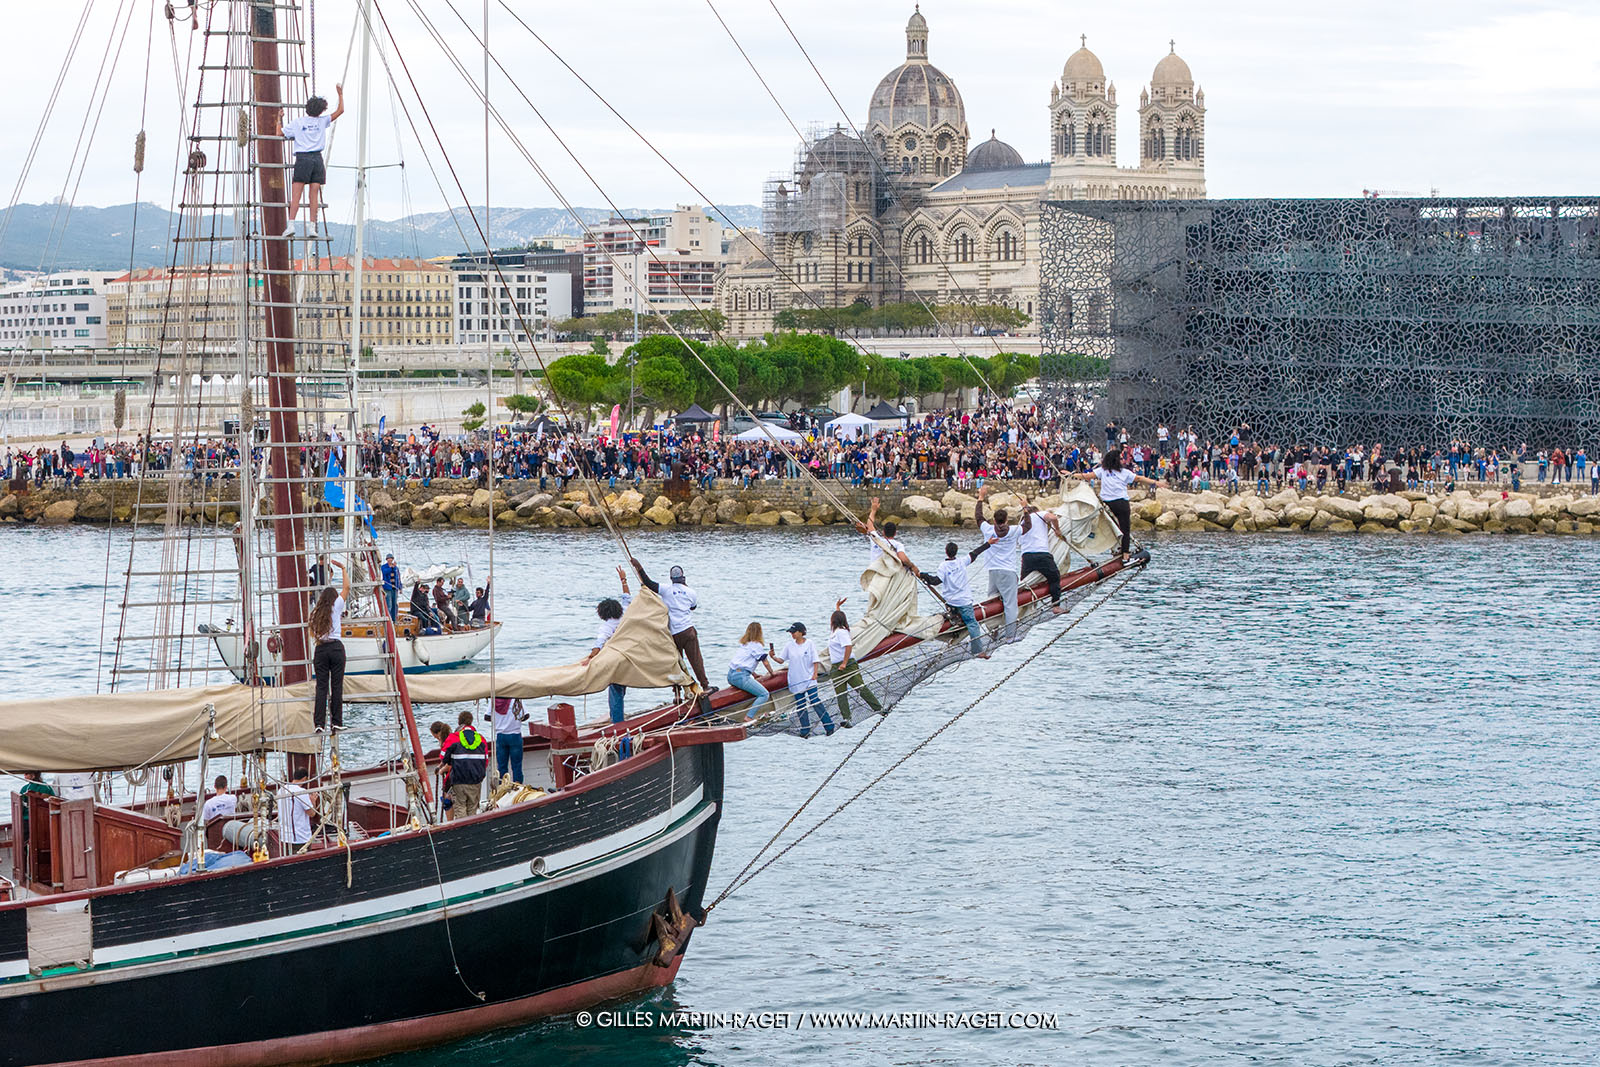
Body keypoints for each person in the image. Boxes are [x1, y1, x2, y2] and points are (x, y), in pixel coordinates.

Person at [630, 558, 711, 691]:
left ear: (671, 578)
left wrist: (639, 567)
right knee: (696, 660)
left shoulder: (666, 589)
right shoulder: (691, 592)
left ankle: (678, 693)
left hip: (673, 633)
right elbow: (693, 607)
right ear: (683, 577)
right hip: (688, 631)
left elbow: (648, 582)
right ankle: (705, 686)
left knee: (676, 664)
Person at [278, 85, 345, 237]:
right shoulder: (322, 122)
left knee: (296, 195)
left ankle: (291, 225)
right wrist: (340, 94)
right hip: (317, 159)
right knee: (313, 195)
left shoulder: (298, 122)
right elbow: (340, 111)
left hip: (303, 158)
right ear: (321, 110)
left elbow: (279, 133)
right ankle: (312, 228)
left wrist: (279, 119)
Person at [1075, 449, 1163, 562]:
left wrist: (1072, 475)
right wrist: (1156, 483)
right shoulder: (1124, 472)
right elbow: (1140, 478)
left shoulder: (1103, 471)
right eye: (1121, 458)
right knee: (1125, 529)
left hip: (1108, 504)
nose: (1123, 460)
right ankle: (1125, 553)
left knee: (1111, 526)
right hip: (1121, 503)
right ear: (1116, 460)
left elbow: (1087, 476)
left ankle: (1115, 549)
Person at [579, 566, 632, 726]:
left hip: (616, 659)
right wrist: (623, 579)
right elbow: (627, 597)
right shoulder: (626, 612)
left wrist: (589, 659)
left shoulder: (606, 627)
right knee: (620, 688)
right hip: (630, 656)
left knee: (615, 689)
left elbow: (598, 645)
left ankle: (617, 722)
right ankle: (618, 717)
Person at [920, 541, 991, 658]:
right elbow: (975, 553)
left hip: (951, 603)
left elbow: (935, 581)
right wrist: (988, 543)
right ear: (956, 552)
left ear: (946, 552)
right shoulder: (961, 562)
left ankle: (952, 638)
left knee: (955, 620)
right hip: (964, 602)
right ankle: (978, 651)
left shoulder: (943, 566)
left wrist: (923, 575)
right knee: (973, 624)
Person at [974, 487, 1023, 643]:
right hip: (1008, 571)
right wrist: (1025, 508)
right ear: (1006, 520)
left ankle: (993, 631)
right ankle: (1010, 635)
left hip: (992, 571)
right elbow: (1028, 525)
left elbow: (978, 517)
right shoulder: (1014, 530)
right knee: (1010, 604)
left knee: (992, 601)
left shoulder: (988, 530)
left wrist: (981, 498)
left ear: (994, 520)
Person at [770, 622, 834, 738]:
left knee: (815, 701)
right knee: (801, 705)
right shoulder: (789, 645)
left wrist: (815, 674)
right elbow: (781, 660)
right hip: (795, 680)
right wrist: (773, 656)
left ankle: (829, 725)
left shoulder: (809, 643)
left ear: (801, 632)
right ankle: (805, 729)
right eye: (791, 632)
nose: (792, 634)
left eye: (793, 632)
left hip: (809, 679)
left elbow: (815, 660)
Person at [826, 601, 883, 728]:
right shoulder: (835, 632)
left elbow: (848, 646)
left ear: (834, 621)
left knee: (860, 687)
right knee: (841, 694)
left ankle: (878, 708)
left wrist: (845, 663)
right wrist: (837, 607)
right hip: (836, 667)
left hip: (846, 665)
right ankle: (847, 718)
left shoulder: (841, 632)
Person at [308, 559, 349, 732]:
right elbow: (346, 588)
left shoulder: (316, 612)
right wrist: (343, 568)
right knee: (337, 686)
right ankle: (336, 722)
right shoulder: (337, 606)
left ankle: (319, 724)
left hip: (321, 648)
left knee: (321, 687)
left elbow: (313, 633)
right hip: (336, 647)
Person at [434, 710, 487, 820]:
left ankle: (463, 832)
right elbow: (485, 762)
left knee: (460, 808)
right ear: (471, 722)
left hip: (459, 780)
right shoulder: (481, 739)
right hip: (475, 781)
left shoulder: (453, 738)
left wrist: (443, 766)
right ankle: (472, 832)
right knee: (472, 808)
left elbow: (443, 756)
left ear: (459, 722)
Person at [1017, 499, 1066, 615]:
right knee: (1054, 577)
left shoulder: (1023, 523)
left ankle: (1019, 610)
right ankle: (1055, 605)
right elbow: (1053, 518)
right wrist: (1057, 530)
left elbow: (1020, 542)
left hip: (1027, 556)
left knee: (1024, 584)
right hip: (1041, 554)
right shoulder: (1039, 515)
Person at [857, 496, 920, 574]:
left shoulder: (876, 540)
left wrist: (873, 510)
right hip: (888, 576)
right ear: (895, 533)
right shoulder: (898, 545)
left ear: (883, 532)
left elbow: (870, 525)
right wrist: (913, 566)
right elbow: (903, 559)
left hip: (874, 574)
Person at [726, 622, 775, 719]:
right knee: (764, 694)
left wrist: (754, 674)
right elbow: (765, 662)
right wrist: (772, 673)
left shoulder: (745, 644)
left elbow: (744, 662)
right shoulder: (757, 645)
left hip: (730, 675)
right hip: (741, 676)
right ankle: (749, 716)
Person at [489, 696, 528, 784]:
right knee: (516, 765)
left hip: (500, 735)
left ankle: (503, 787)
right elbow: (526, 715)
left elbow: (487, 716)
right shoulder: (516, 699)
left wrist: (499, 720)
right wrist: (515, 720)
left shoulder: (494, 701)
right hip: (515, 734)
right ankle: (517, 787)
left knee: (502, 766)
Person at [275, 765, 315, 849]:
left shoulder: (281, 790)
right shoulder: (301, 792)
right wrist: (313, 800)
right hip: (300, 838)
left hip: (284, 837)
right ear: (304, 779)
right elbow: (311, 813)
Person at [380, 553, 400, 621]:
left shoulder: (396, 568)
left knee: (395, 604)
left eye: (391, 559)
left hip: (395, 588)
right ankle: (389, 620)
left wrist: (400, 587)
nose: (390, 560)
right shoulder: (384, 567)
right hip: (387, 588)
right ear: (387, 559)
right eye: (389, 559)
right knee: (389, 605)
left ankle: (394, 619)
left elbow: (398, 578)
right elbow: (384, 572)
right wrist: (391, 567)